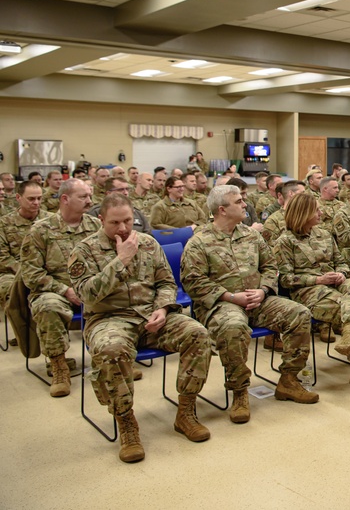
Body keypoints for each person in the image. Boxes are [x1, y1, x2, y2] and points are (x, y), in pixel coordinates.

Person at [69, 193, 212, 463]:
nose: (123, 228)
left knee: (198, 334)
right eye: (115, 223)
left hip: (151, 316)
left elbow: (167, 284)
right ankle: (126, 424)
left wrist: (162, 308)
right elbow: (87, 295)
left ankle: (186, 411)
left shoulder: (147, 242)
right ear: (100, 220)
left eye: (128, 221)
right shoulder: (84, 250)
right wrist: (119, 261)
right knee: (111, 350)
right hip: (109, 319)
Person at [181, 185, 318, 424]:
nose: (245, 205)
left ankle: (288, 380)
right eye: (238, 202)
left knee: (299, 313)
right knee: (233, 327)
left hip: (258, 300)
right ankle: (239, 392)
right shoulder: (199, 242)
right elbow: (193, 282)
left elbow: (270, 266)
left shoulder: (251, 235)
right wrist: (230, 297)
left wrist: (263, 290)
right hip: (222, 305)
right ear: (222, 210)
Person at [273, 193, 350, 390]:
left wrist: (341, 273)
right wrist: (317, 279)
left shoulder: (323, 234)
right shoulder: (285, 241)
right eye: (316, 210)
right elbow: (285, 279)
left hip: (333, 283)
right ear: (303, 213)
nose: (321, 212)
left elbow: (341, 261)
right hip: (308, 290)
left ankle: (349, 335)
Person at [19, 178, 101, 397]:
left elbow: (108, 262)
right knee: (48, 307)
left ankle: (113, 359)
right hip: (54, 290)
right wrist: (65, 290)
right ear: (65, 199)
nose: (89, 201)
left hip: (91, 288)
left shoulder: (95, 226)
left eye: (89, 196)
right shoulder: (41, 230)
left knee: (122, 298)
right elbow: (31, 273)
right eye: (83, 196)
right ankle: (59, 367)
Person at [0, 180, 52, 314]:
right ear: (18, 198)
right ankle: (23, 334)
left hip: (47, 270)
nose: (36, 202)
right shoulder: (5, 223)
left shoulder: (51, 221)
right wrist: (26, 272)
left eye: (39, 198)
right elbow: (3, 256)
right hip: (14, 272)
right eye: (31, 199)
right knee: (10, 291)